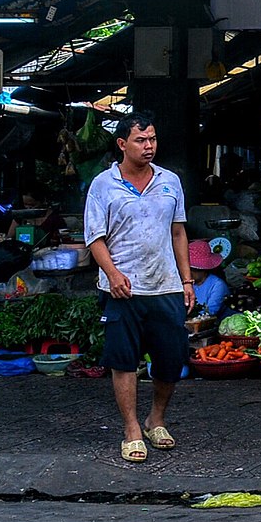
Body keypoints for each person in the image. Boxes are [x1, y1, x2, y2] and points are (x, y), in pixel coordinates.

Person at [83, 114, 192, 465]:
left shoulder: (170, 181)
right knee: (123, 359)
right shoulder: (103, 184)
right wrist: (113, 274)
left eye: (152, 140)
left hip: (165, 285)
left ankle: (155, 419)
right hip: (122, 288)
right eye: (141, 141)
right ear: (122, 145)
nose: (149, 147)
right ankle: (131, 429)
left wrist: (187, 281)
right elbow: (94, 238)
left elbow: (178, 232)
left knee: (171, 358)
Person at [186, 240, 231, 319]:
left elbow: (210, 312)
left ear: (204, 269)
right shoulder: (187, 283)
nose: (190, 272)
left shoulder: (217, 285)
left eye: (194, 269)